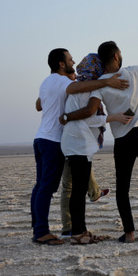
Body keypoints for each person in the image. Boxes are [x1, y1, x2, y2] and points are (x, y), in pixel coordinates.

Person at [60, 42, 138, 243]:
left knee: (123, 188)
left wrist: (66, 117)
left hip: (123, 139)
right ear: (116, 56)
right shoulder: (132, 72)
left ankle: (129, 233)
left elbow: (90, 111)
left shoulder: (100, 85)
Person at [31, 48, 128, 246]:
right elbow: (80, 91)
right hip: (53, 141)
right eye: (69, 59)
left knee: (41, 187)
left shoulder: (47, 82)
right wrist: (107, 82)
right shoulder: (64, 82)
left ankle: (39, 228)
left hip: (41, 137)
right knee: (47, 189)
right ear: (61, 64)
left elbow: (38, 105)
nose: (73, 61)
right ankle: (41, 232)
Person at [61, 53, 133, 245]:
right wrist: (113, 117)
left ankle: (79, 230)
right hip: (79, 143)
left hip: (76, 142)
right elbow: (88, 116)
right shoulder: (86, 91)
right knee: (78, 189)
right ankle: (79, 233)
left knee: (78, 188)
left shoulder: (81, 88)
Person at [36, 73, 111, 238]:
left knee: (67, 184)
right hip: (64, 139)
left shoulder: (54, 86)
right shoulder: (69, 88)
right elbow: (88, 114)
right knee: (68, 186)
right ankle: (71, 229)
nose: (75, 77)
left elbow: (38, 105)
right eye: (72, 75)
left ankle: (67, 227)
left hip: (60, 139)